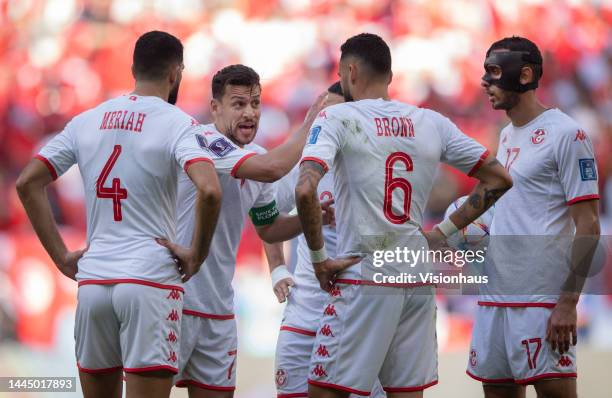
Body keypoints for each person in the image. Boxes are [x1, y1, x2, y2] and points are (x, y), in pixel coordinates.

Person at [295, 33, 513, 398]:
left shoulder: (337, 117)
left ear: (349, 72)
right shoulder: (431, 122)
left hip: (364, 273)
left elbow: (304, 189)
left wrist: (319, 260)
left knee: (324, 391)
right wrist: (440, 233)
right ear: (390, 76)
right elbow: (499, 177)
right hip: (416, 271)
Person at [16, 31, 222, 398]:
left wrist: (62, 256)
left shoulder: (87, 120)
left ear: (132, 68)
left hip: (94, 282)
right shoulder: (179, 124)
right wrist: (196, 253)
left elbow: (28, 182)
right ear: (176, 73)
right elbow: (208, 189)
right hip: (149, 281)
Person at [173, 64, 332, 398]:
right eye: (238, 104)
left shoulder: (255, 155)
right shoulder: (202, 140)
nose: (250, 113)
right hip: (172, 301)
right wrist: (310, 125)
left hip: (218, 310)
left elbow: (270, 229)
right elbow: (274, 168)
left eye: (256, 103)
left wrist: (311, 218)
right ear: (215, 107)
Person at [464, 36, 600, 398]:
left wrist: (568, 302)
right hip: (495, 295)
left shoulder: (567, 135)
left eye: (494, 72)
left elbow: (589, 224)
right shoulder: (507, 135)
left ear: (524, 75)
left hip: (540, 301)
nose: (485, 82)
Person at [271, 81, 387, 398]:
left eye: (336, 115)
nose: (327, 122)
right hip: (303, 315)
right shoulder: (302, 165)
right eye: (323, 113)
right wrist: (277, 268)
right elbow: (265, 214)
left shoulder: (376, 167)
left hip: (356, 319)